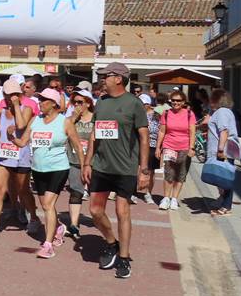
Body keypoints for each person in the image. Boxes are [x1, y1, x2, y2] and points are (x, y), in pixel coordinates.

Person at [82, 62, 149, 280]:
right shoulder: (101, 102)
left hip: (125, 168)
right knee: (95, 211)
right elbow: (94, 133)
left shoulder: (134, 104)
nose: (103, 79)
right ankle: (112, 242)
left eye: (106, 76)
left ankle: (124, 257)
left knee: (122, 212)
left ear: (119, 78)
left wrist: (144, 170)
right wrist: (87, 162)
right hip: (101, 166)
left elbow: (144, 137)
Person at [11, 88, 85, 258]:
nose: (40, 103)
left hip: (58, 168)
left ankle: (48, 245)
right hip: (38, 169)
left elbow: (77, 147)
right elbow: (23, 143)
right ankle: (58, 227)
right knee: (46, 206)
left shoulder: (64, 122)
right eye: (39, 99)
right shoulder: (35, 120)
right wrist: (11, 138)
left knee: (48, 205)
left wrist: (83, 168)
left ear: (53, 104)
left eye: (44, 100)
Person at [0, 79, 39, 237]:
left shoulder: (27, 107)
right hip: (4, 154)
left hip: (21, 153)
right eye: (7, 95)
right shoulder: (1, 108)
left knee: (23, 190)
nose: (9, 98)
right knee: (0, 189)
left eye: (13, 95)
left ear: (18, 94)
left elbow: (21, 125)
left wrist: (15, 106)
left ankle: (33, 217)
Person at [156, 91, 195, 211]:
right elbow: (162, 131)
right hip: (169, 146)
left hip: (184, 147)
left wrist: (191, 147)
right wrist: (158, 147)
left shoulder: (189, 114)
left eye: (178, 101)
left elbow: (192, 131)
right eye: (173, 100)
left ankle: (174, 199)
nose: (175, 103)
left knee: (181, 173)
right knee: (169, 172)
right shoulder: (166, 113)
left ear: (183, 102)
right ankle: (166, 198)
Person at [65, 89, 95, 238]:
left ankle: (98, 218)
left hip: (94, 163)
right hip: (74, 161)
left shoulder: (96, 119)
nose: (76, 105)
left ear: (88, 103)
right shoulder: (70, 119)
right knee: (76, 192)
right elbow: (63, 132)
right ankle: (74, 224)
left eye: (80, 102)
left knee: (96, 195)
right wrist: (74, 117)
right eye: (74, 102)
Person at [206, 88, 239, 216]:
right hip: (224, 150)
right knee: (222, 178)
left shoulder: (222, 112)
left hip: (223, 151)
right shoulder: (224, 112)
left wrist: (220, 149)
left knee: (224, 179)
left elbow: (224, 131)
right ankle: (223, 201)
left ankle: (226, 206)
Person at [139, 93, 160, 205]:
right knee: (137, 169)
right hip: (138, 144)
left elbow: (159, 131)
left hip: (152, 145)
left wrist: (158, 147)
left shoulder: (156, 115)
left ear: (148, 104)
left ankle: (148, 193)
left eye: (142, 104)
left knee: (151, 171)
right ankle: (133, 191)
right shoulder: (137, 114)